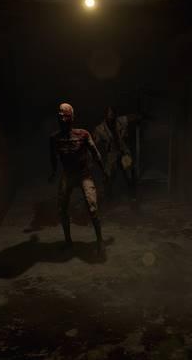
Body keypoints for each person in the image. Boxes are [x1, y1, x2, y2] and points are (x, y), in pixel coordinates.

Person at [49, 103, 108, 255]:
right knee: (62, 208)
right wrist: (54, 172)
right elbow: (53, 157)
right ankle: (68, 242)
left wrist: (103, 171)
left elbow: (95, 153)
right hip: (67, 174)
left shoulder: (83, 135)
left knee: (92, 207)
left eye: (66, 115)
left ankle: (100, 240)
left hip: (83, 174)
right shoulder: (55, 138)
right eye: (60, 115)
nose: (62, 119)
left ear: (72, 117)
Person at [92, 107, 142, 201]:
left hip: (123, 151)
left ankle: (133, 195)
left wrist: (139, 116)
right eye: (109, 114)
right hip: (112, 154)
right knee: (109, 176)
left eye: (113, 114)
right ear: (106, 115)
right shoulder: (100, 128)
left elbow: (130, 117)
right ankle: (108, 196)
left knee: (129, 173)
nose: (111, 116)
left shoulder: (119, 121)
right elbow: (95, 141)